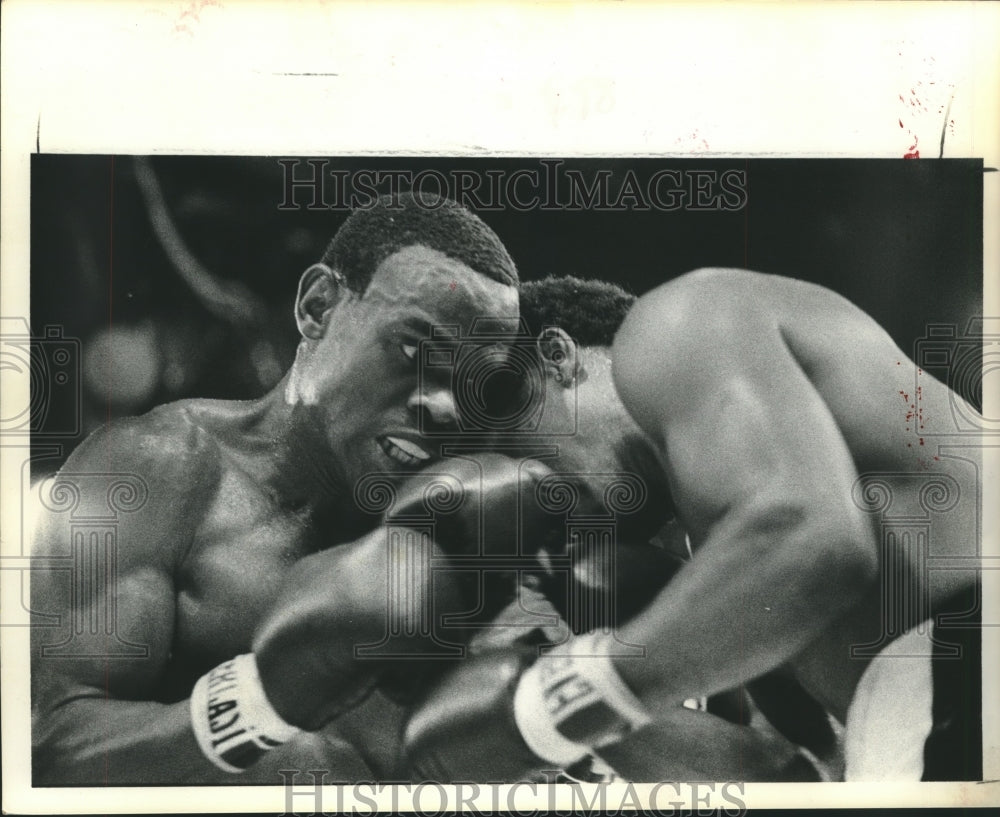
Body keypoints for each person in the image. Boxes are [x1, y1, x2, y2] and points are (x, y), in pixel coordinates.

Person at [404, 269, 983, 783]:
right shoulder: (722, 556)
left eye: (512, 455)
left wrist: (543, 706)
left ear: (557, 358)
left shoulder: (676, 325)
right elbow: (795, 776)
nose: (531, 510)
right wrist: (536, 673)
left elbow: (813, 542)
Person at [30, 192, 524, 784]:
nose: (445, 406)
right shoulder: (157, 472)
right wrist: (262, 705)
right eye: (416, 349)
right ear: (319, 308)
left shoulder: (465, 527)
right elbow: (56, 744)